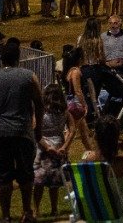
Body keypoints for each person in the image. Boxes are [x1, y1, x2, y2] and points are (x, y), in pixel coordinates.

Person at [0, 40, 44, 223]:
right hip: (22, 131)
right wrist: (38, 131)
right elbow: (39, 103)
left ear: (1, 59)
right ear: (18, 58)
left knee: (3, 177)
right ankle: (27, 211)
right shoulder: (29, 76)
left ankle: (6, 215)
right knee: (25, 174)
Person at [32, 84, 73, 218]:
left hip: (42, 148)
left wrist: (47, 146)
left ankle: (36, 209)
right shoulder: (65, 111)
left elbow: (35, 130)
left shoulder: (41, 111)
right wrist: (65, 146)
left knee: (39, 181)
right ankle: (53, 209)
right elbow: (72, 129)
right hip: (57, 145)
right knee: (53, 182)